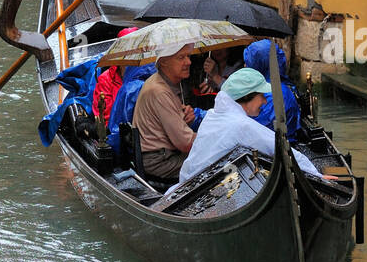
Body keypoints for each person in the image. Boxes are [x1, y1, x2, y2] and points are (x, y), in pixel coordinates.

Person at [176, 67, 320, 186]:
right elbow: (282, 149)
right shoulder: (241, 125)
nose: (265, 102)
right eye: (262, 96)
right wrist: (317, 176)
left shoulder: (212, 115)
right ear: (247, 96)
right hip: (206, 186)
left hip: (187, 182)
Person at [131, 42, 203, 182]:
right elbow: (185, 143)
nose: (188, 62)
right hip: (161, 162)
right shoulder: (159, 91)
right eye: (181, 57)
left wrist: (186, 117)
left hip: (163, 155)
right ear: (164, 62)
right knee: (215, 158)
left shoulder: (163, 82)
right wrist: (215, 138)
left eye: (188, 56)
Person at [241, 39, 302, 140]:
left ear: (260, 64)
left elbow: (253, 127)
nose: (245, 66)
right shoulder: (274, 85)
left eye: (248, 63)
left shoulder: (274, 95)